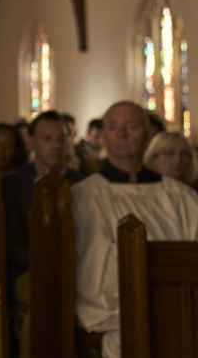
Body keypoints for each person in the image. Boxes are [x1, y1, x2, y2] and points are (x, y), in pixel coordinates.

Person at [73, 102, 198, 358]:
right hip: (115, 311)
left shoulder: (179, 196)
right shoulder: (85, 195)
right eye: (113, 127)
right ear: (103, 135)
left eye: (131, 127)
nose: (121, 134)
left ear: (148, 135)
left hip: (179, 304)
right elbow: (91, 267)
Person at [4, 111, 85, 347]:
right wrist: (46, 264)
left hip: (77, 267)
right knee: (46, 295)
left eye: (61, 139)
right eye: (47, 139)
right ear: (31, 142)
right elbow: (13, 241)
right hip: (29, 269)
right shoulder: (14, 182)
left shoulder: (82, 182)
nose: (56, 146)